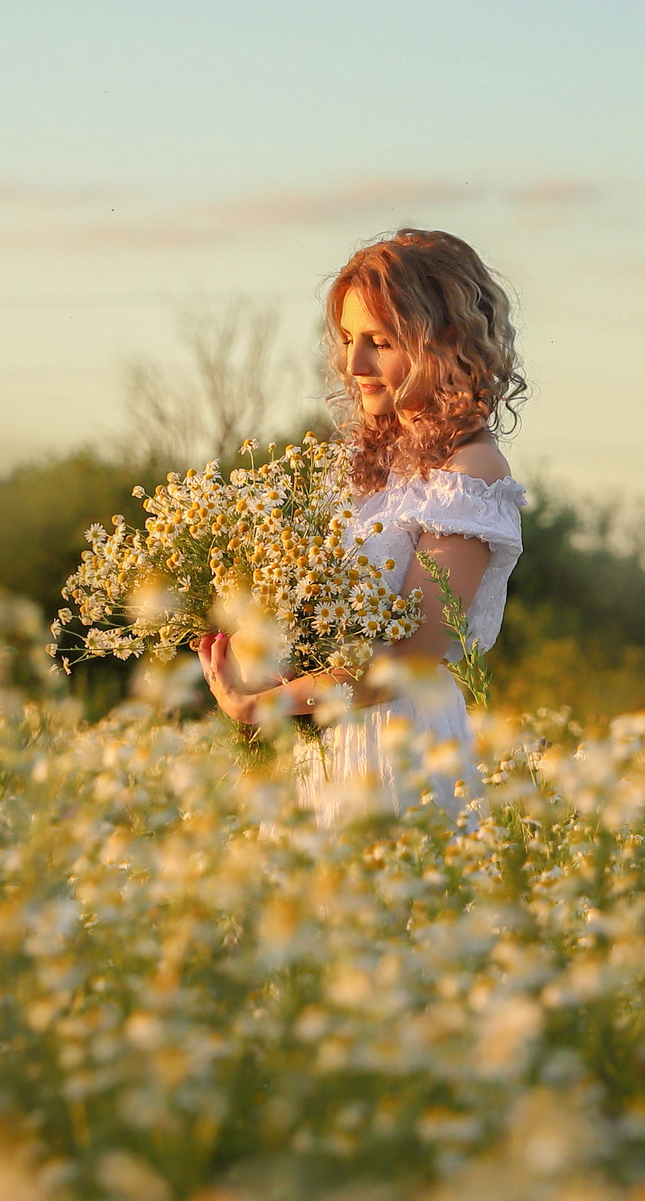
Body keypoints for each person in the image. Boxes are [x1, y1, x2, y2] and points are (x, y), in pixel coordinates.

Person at [194, 229, 527, 821]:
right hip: (323, 744)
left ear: (447, 340)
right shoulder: (360, 465)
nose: (354, 364)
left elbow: (408, 661)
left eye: (380, 341)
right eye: (348, 339)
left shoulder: (469, 473)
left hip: (403, 750)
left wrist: (261, 706)